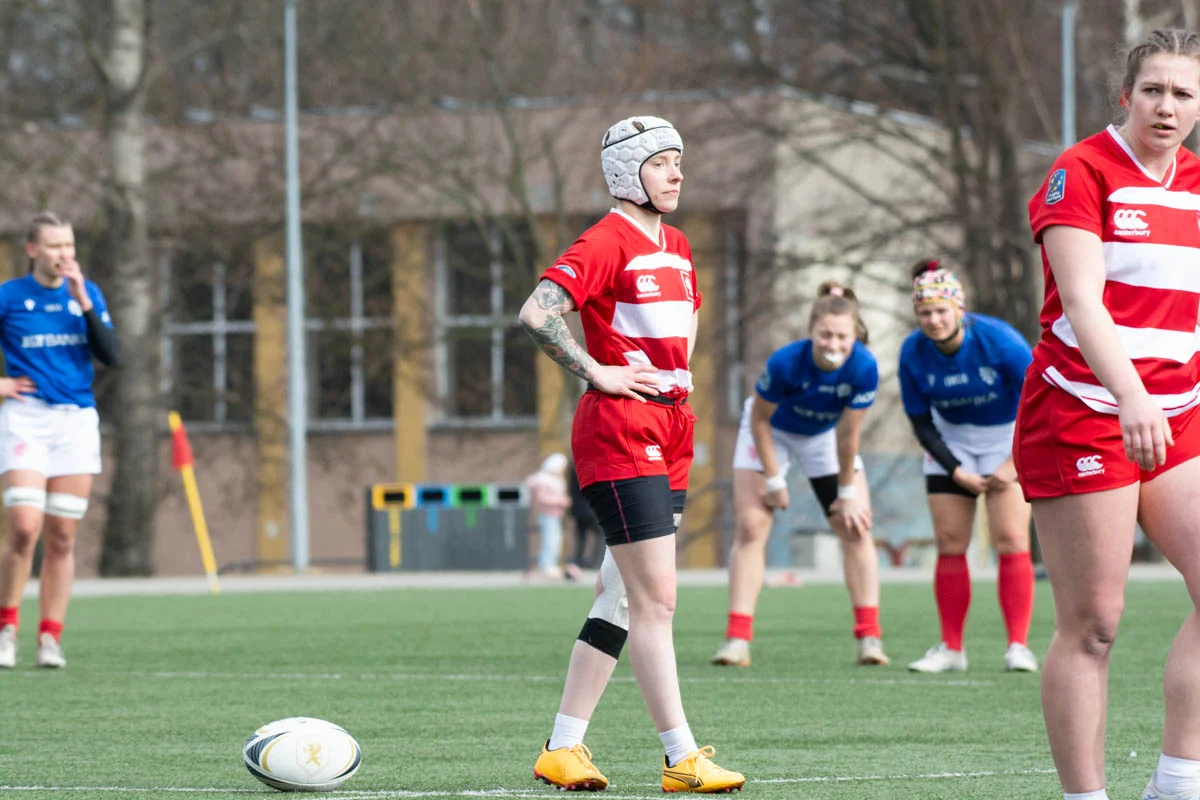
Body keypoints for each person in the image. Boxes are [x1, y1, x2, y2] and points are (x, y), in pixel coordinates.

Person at [517, 115, 744, 793]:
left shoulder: (675, 244)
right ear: (626, 172)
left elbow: (690, 315)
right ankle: (680, 758)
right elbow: (538, 312)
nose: (676, 173)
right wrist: (599, 371)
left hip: (670, 426)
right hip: (620, 428)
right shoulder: (605, 240)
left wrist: (677, 375)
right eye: (661, 162)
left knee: (620, 598)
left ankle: (563, 747)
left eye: (679, 161)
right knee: (658, 602)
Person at [1019, 29, 1200, 800]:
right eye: (1153, 89)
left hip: (1180, 412)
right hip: (1085, 408)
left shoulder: (1195, 182)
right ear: (1125, 95)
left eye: (1183, 93)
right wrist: (1129, 396)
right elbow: (1084, 301)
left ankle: (1178, 782)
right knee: (1094, 623)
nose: (1167, 105)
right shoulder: (1082, 170)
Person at [711, 282, 888, 668]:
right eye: (825, 334)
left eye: (842, 336)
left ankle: (869, 639)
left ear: (855, 334)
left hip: (825, 436)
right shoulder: (785, 362)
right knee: (751, 527)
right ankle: (737, 640)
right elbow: (758, 421)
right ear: (811, 331)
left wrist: (845, 492)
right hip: (771, 432)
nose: (833, 344)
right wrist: (774, 482)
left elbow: (849, 433)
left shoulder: (864, 366)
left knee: (855, 525)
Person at [897, 260, 1038, 675]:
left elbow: (1038, 400)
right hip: (952, 442)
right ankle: (952, 648)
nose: (934, 320)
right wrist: (956, 470)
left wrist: (1012, 462)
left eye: (941, 310)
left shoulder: (1000, 341)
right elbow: (921, 422)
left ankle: (1018, 646)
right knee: (950, 539)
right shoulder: (912, 351)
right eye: (925, 313)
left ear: (959, 308)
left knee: (1011, 537)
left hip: (1008, 438)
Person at [0, 212, 119, 670]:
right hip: (26, 418)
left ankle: (49, 637)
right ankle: (6, 628)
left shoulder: (86, 296)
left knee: (63, 536)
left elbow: (112, 355)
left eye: (69, 246)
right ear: (33, 250)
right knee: (25, 526)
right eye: (54, 246)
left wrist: (85, 303)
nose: (64, 255)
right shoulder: (10, 297)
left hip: (74, 422)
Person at [524, 453, 571, 580]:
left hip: (555, 515)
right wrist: (560, 501)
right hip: (547, 514)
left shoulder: (556, 480)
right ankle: (546, 565)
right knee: (549, 541)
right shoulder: (544, 480)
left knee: (555, 540)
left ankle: (551, 564)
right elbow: (542, 498)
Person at [565, 460, 602, 578]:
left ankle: (578, 560)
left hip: (578, 507)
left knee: (581, 535)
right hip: (590, 506)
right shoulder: (591, 463)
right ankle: (597, 561)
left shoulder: (573, 465)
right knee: (601, 534)